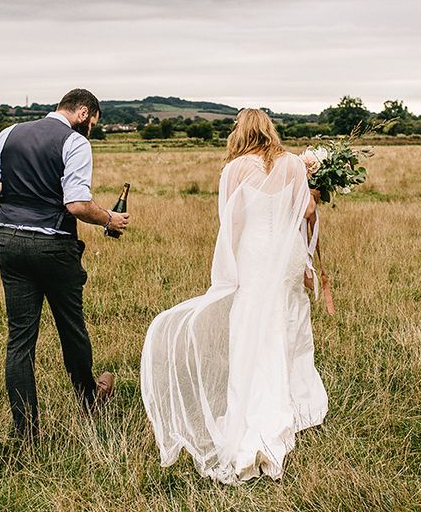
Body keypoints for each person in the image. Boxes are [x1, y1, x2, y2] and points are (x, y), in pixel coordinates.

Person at [140, 108, 327, 484]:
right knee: (285, 321)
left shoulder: (234, 170)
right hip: (286, 255)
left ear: (240, 133)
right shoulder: (293, 164)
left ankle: (255, 407)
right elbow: (306, 209)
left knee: (250, 325)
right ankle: (295, 402)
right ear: (270, 131)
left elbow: (230, 224)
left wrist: (227, 274)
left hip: (253, 254)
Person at [0, 88, 129, 439]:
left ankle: (25, 431)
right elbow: (76, 204)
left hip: (9, 241)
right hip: (54, 245)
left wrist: (16, 208)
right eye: (92, 122)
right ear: (84, 112)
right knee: (71, 328)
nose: (90, 129)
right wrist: (108, 219)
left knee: (19, 339)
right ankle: (90, 401)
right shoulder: (75, 142)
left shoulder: (9, 132)